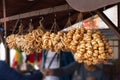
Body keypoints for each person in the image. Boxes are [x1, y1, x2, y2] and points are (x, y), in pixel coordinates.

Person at [43, 62, 110, 80]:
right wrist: (52, 71)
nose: (88, 62)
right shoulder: (78, 65)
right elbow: (64, 71)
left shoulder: (101, 73)